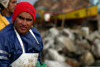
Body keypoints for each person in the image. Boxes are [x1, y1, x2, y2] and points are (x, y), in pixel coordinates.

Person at [0, 2, 44, 67]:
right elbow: (2, 63)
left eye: (28, 20)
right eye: (21, 18)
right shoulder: (5, 36)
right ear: (14, 17)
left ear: (32, 22)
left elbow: (38, 57)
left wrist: (38, 64)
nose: (24, 23)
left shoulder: (35, 35)